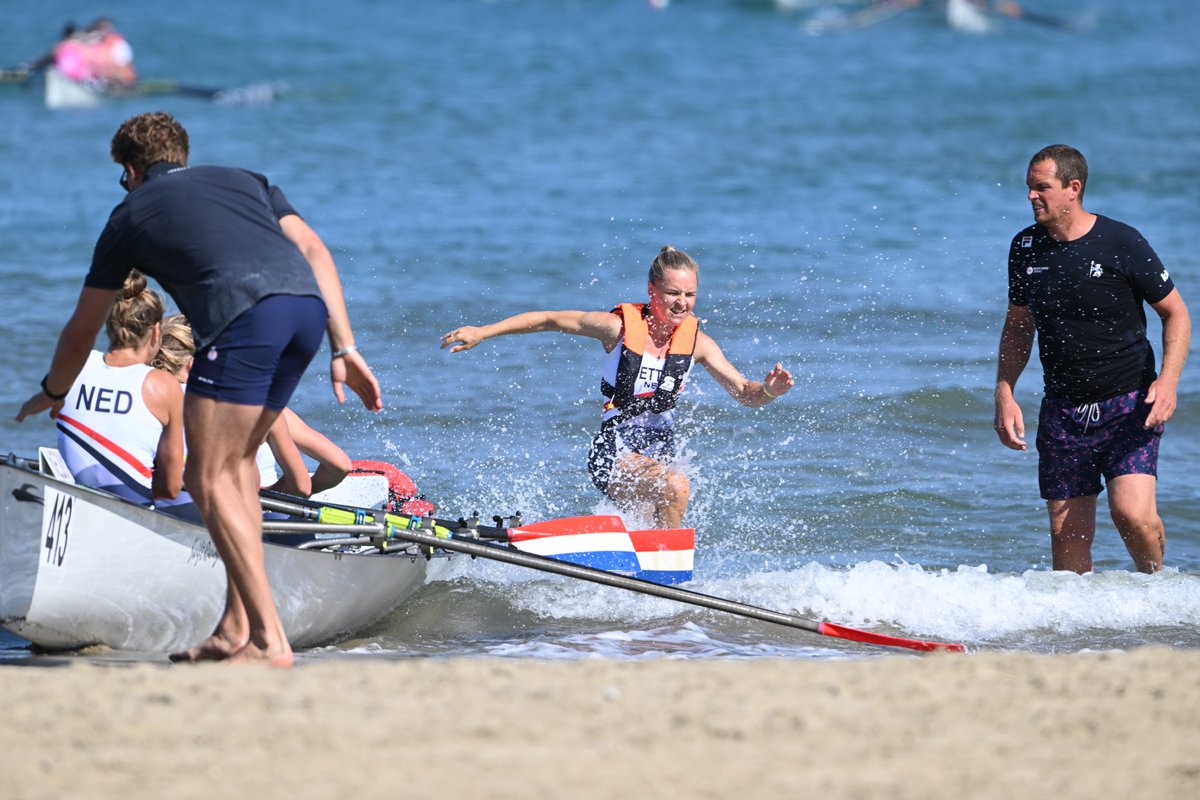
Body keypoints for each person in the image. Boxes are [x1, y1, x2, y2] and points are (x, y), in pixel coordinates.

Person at [16, 111, 382, 667]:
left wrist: (53, 387)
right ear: (181, 156)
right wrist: (345, 348)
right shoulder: (247, 180)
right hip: (306, 316)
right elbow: (316, 253)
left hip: (245, 322)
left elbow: (80, 329)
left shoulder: (130, 214)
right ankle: (233, 626)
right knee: (234, 470)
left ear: (131, 170)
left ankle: (268, 639)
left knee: (205, 477)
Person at [441, 245, 794, 528]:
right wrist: (482, 332)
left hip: (657, 455)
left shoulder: (699, 344)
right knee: (677, 486)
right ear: (651, 290)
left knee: (649, 522)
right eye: (672, 292)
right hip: (613, 452)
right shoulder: (618, 329)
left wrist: (769, 391)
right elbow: (548, 319)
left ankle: (643, 599)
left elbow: (745, 394)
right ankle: (666, 575)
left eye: (689, 294)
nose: (681, 303)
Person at [993, 144, 1191, 574]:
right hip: (1062, 411)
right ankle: (1078, 635)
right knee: (1068, 545)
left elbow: (1175, 312)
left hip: (1129, 403)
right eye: (1029, 188)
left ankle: (1158, 593)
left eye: (1041, 188)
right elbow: (1018, 326)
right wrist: (1005, 392)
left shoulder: (1121, 241)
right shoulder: (1025, 248)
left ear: (1073, 189)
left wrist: (1170, 381)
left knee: (1132, 515)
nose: (1031, 196)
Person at [155, 313, 353, 497]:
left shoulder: (152, 402)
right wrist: (275, 496)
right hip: (264, 514)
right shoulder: (255, 401)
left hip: (189, 509)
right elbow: (338, 464)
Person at [55, 270, 190, 517]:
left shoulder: (73, 365)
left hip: (74, 504)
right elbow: (170, 488)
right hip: (132, 516)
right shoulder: (162, 385)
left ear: (109, 325)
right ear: (156, 332)